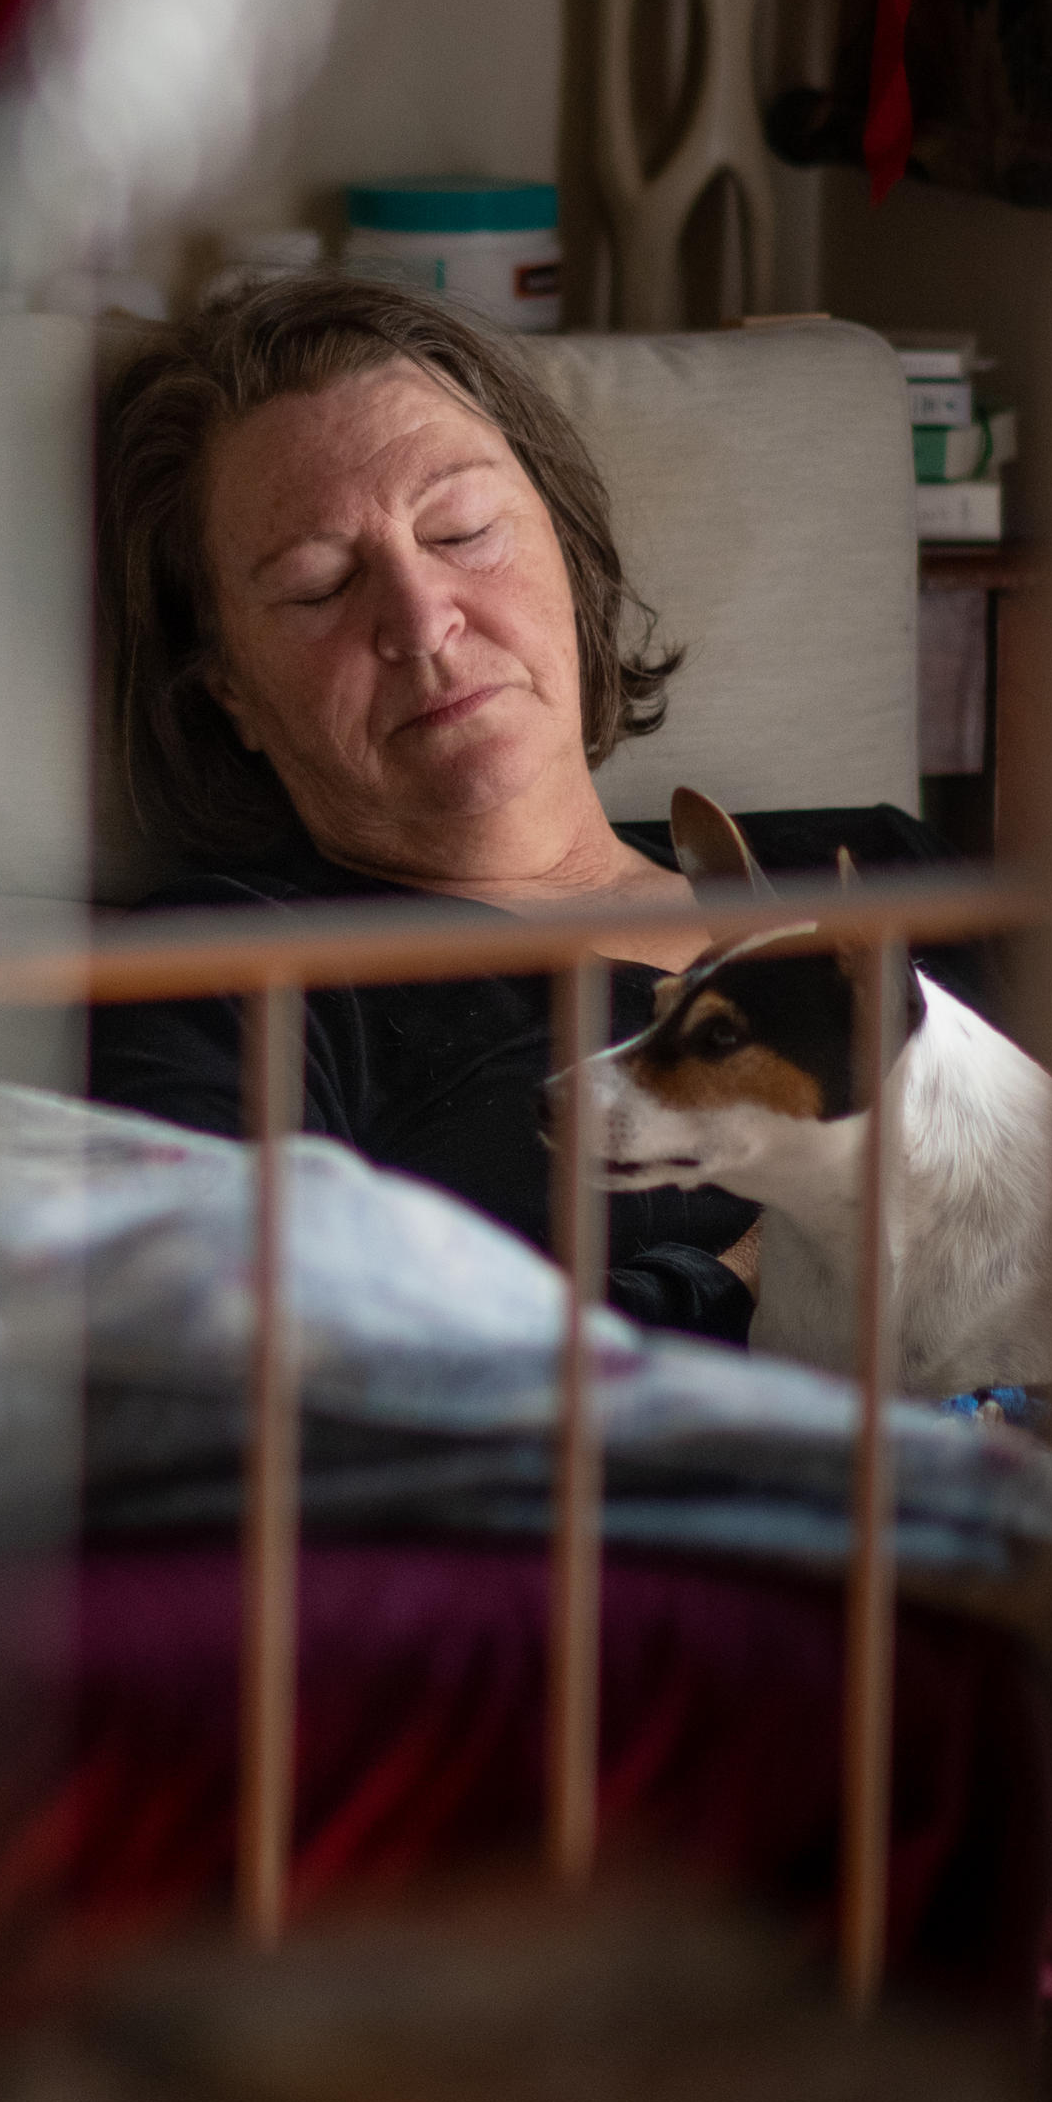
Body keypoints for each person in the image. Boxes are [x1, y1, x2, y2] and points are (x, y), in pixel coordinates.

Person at [87, 272, 814, 1336]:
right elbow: (247, 1366)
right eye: (319, 585)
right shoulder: (224, 977)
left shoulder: (884, 869)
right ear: (229, 690)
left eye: (463, 529)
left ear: (567, 550)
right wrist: (765, 1272)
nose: (422, 620)